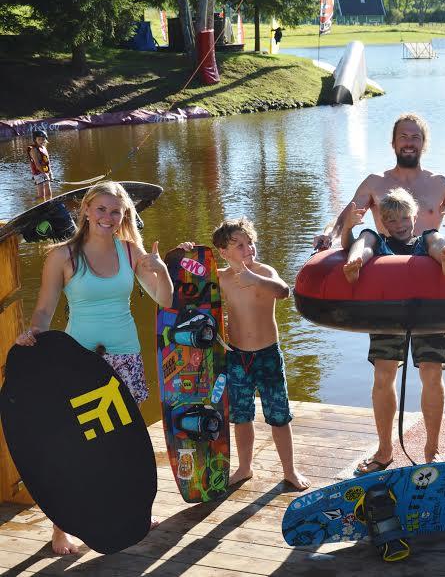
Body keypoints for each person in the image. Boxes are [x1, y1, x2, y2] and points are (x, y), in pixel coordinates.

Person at [313, 112, 445, 475]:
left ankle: (432, 451)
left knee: (431, 371)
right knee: (383, 372)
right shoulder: (375, 182)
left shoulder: (438, 182)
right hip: (385, 293)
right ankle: (384, 452)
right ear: (394, 142)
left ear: (422, 143)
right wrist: (329, 239)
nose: (409, 142)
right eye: (403, 137)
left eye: (415, 137)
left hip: (433, 293)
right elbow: (348, 217)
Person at [15, 181, 173, 555]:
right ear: (85, 209)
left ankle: (133, 514)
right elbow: (44, 307)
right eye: (101, 209)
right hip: (77, 360)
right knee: (75, 446)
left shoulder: (131, 251)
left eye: (115, 211)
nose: (108, 217)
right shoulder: (63, 255)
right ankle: (61, 529)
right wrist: (34, 334)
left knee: (125, 442)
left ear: (125, 216)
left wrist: (161, 271)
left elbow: (164, 300)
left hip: (125, 357)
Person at [178, 217, 310, 491]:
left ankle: (290, 470)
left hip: (268, 356)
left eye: (249, 242)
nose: (247, 248)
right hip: (237, 357)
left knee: (279, 416)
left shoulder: (264, 271)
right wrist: (186, 254)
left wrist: (255, 279)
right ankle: (245, 467)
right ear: (223, 252)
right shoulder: (222, 278)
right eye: (238, 244)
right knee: (241, 416)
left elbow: (283, 291)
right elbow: (189, 283)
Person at [341, 188, 445, 284]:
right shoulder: (380, 242)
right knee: (367, 235)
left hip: (419, 250)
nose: (399, 225)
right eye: (392, 221)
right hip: (386, 251)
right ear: (384, 223)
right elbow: (348, 246)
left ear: (415, 218)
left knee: (434, 235)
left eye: (405, 218)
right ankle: (355, 264)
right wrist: (347, 228)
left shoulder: (424, 241)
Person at [27, 129, 53, 201]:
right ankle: (31, 201)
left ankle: (49, 202)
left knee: (49, 191)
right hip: (38, 173)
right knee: (41, 195)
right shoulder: (33, 150)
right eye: (39, 139)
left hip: (45, 171)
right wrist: (45, 174)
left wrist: (50, 172)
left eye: (43, 139)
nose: (42, 141)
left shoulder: (44, 148)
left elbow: (48, 161)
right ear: (35, 140)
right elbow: (37, 165)